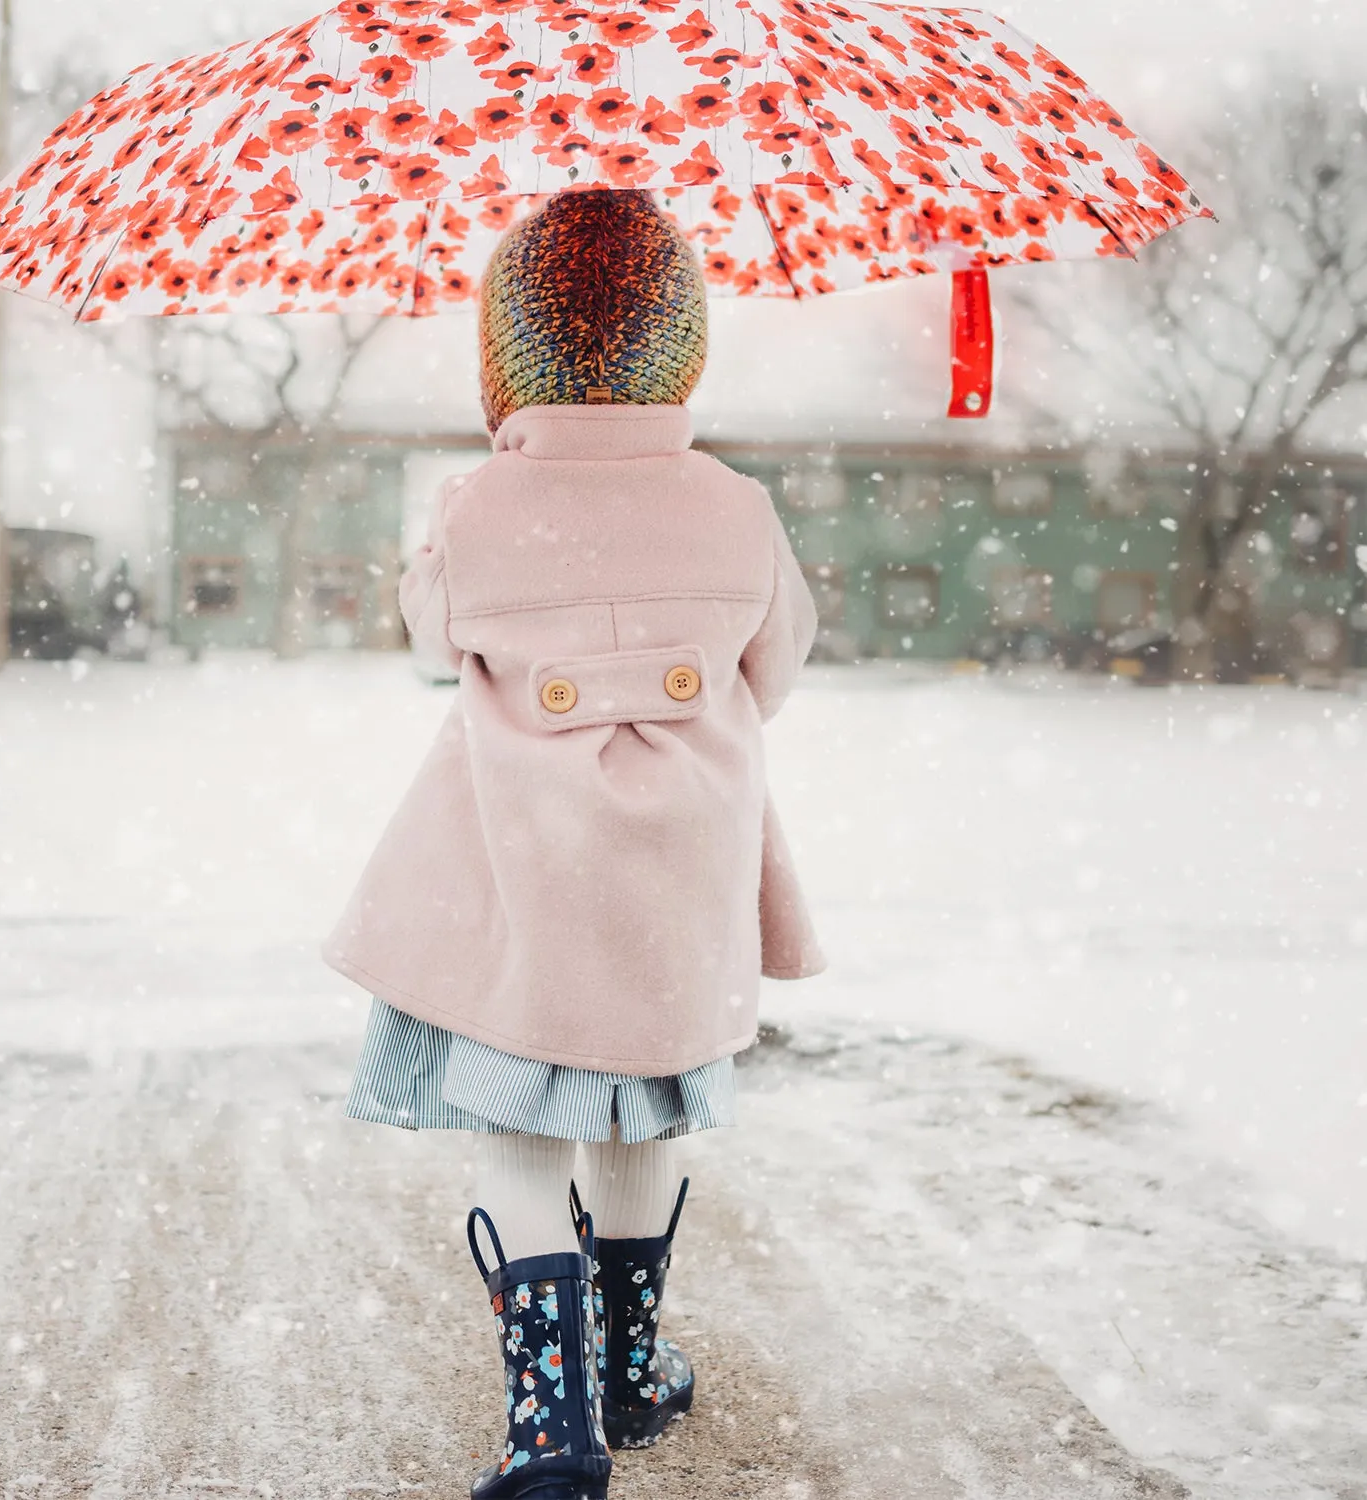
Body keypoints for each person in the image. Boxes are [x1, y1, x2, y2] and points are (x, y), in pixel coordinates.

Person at [329, 189, 823, 1500]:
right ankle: (631, 1370)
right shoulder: (737, 507)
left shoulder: (480, 505)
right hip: (680, 884)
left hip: (525, 879)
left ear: (510, 346)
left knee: (524, 1129)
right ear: (682, 346)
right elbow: (772, 673)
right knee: (648, 1106)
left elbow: (437, 645)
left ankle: (551, 1428)